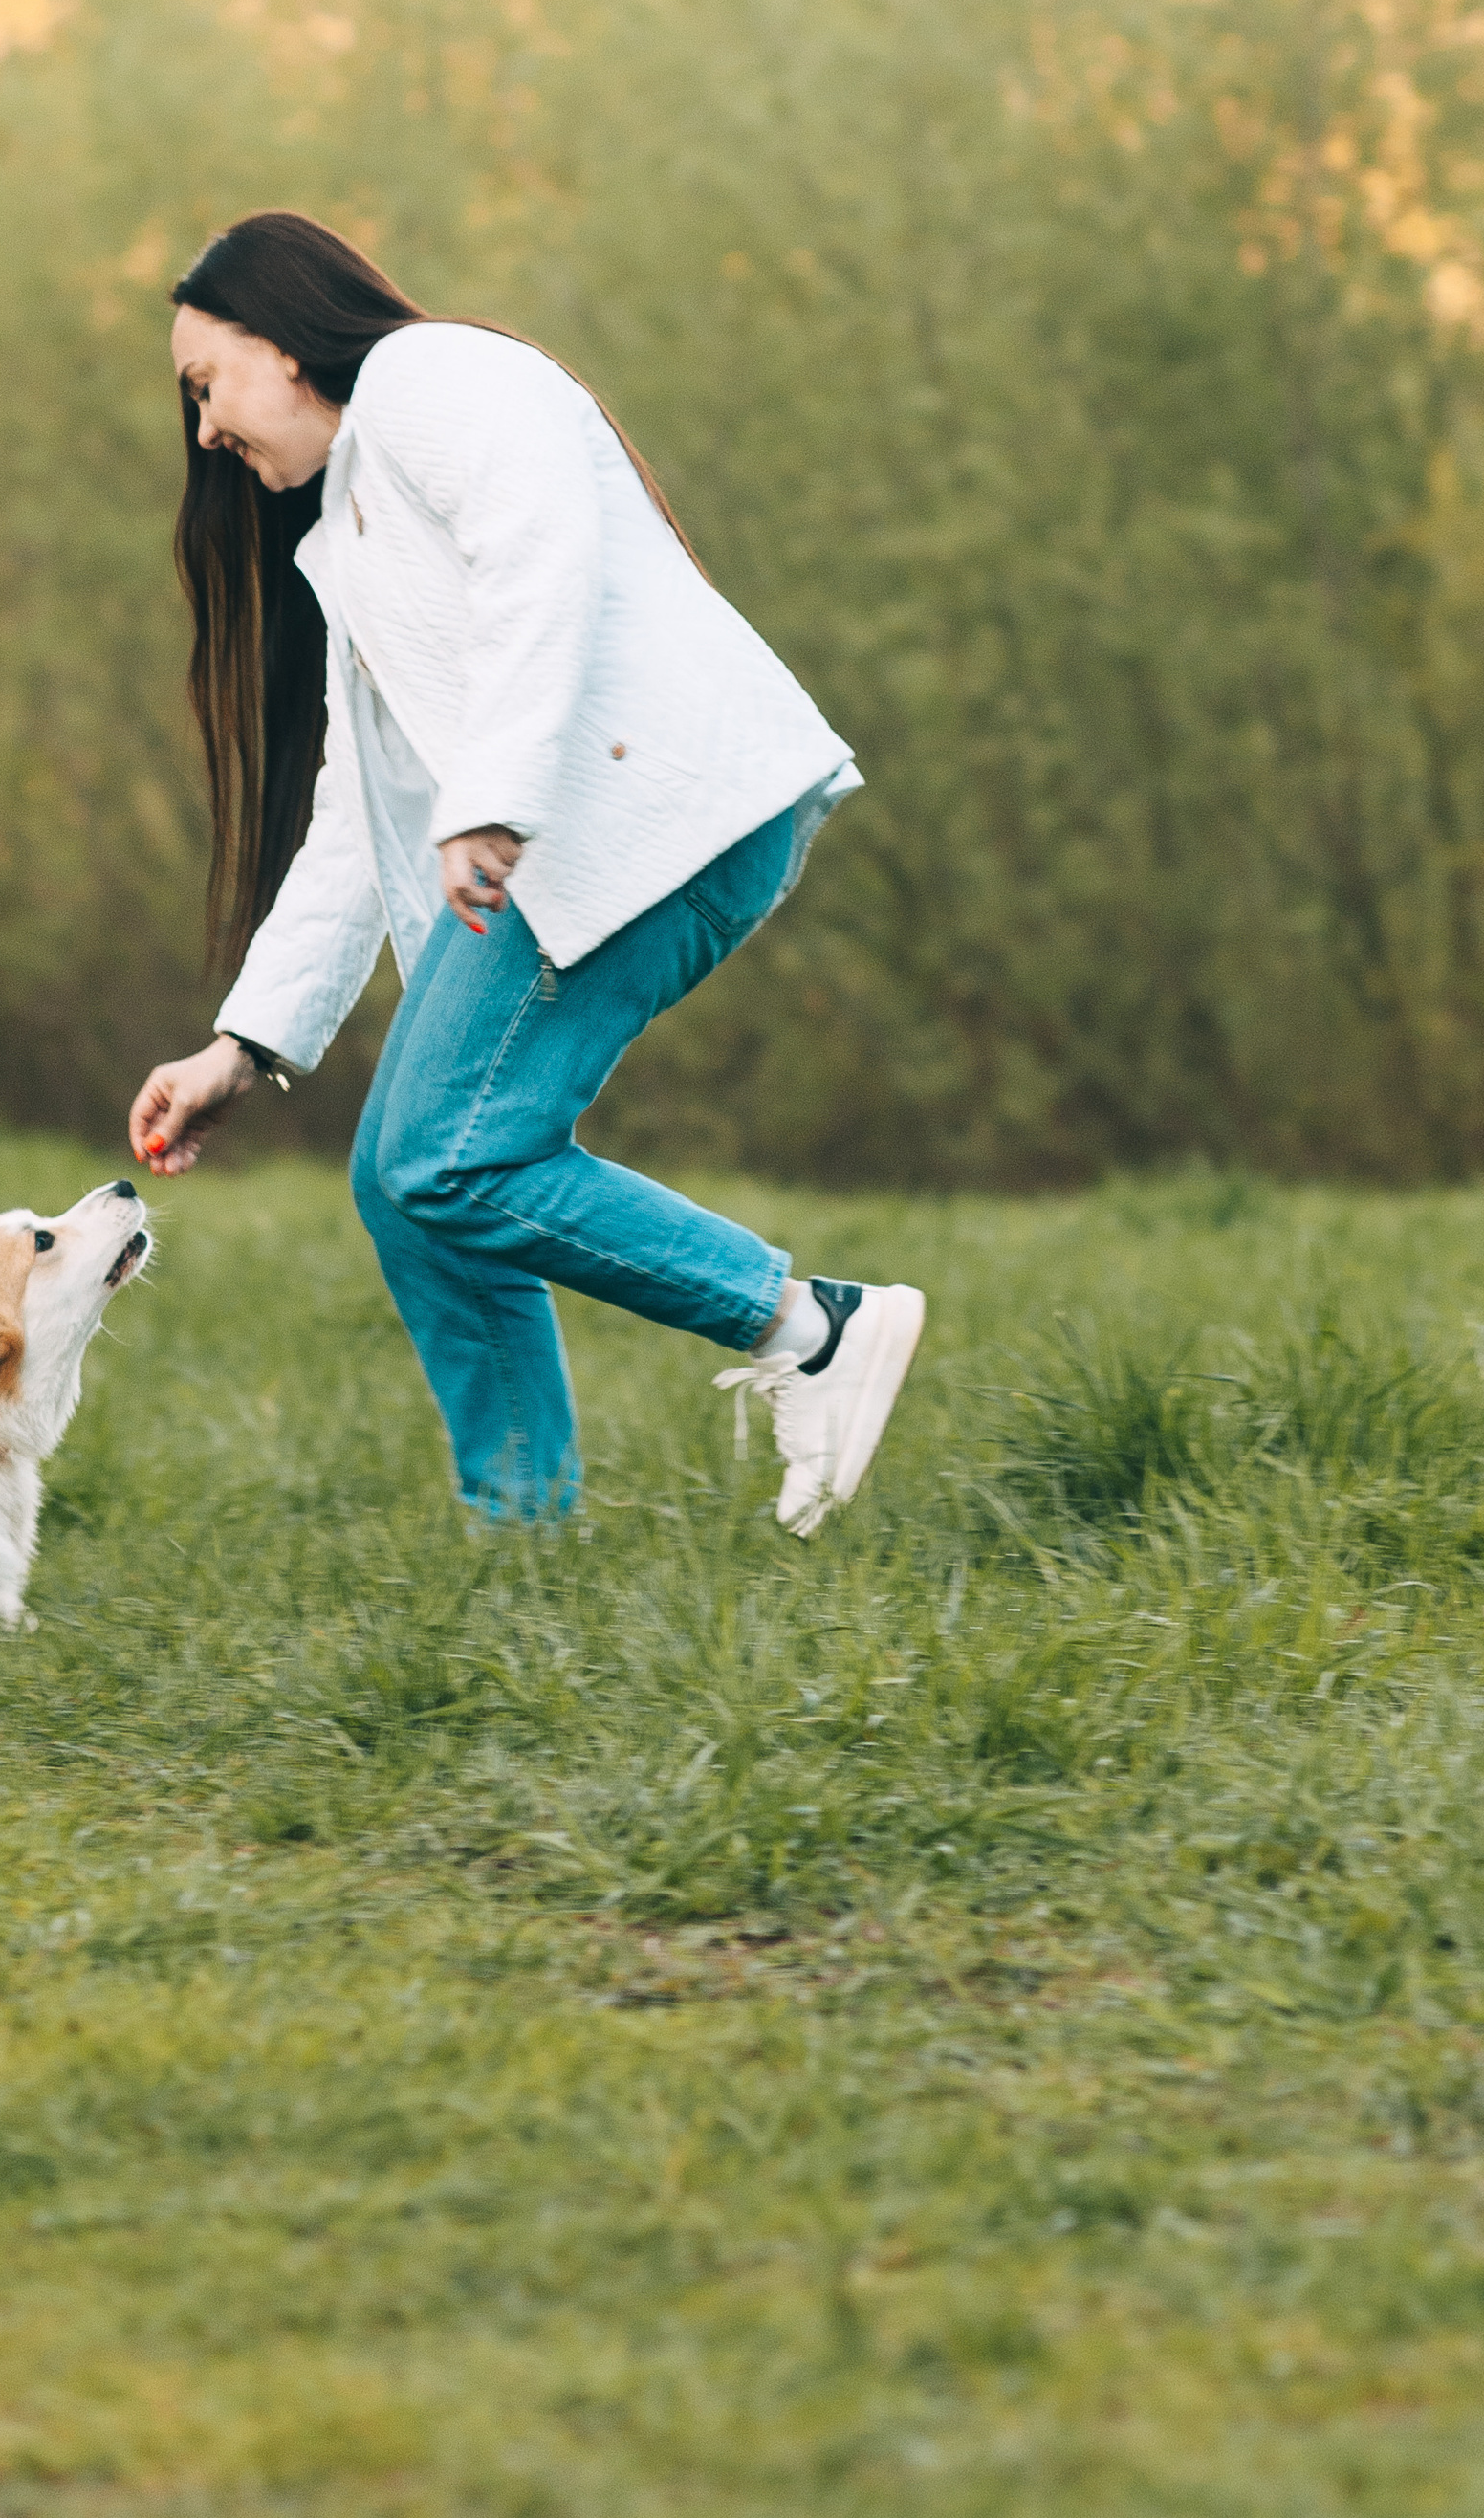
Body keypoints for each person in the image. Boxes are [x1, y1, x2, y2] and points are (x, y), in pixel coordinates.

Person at [127, 210, 924, 1529]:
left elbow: (534, 555)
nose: (204, 429)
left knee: (444, 1151)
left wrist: (491, 796)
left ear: (280, 343)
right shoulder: (351, 529)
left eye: (205, 384)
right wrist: (245, 1043)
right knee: (407, 1177)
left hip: (655, 814)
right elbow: (353, 810)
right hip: (581, 830)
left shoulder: (436, 378)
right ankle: (522, 1542)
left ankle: (812, 1327)